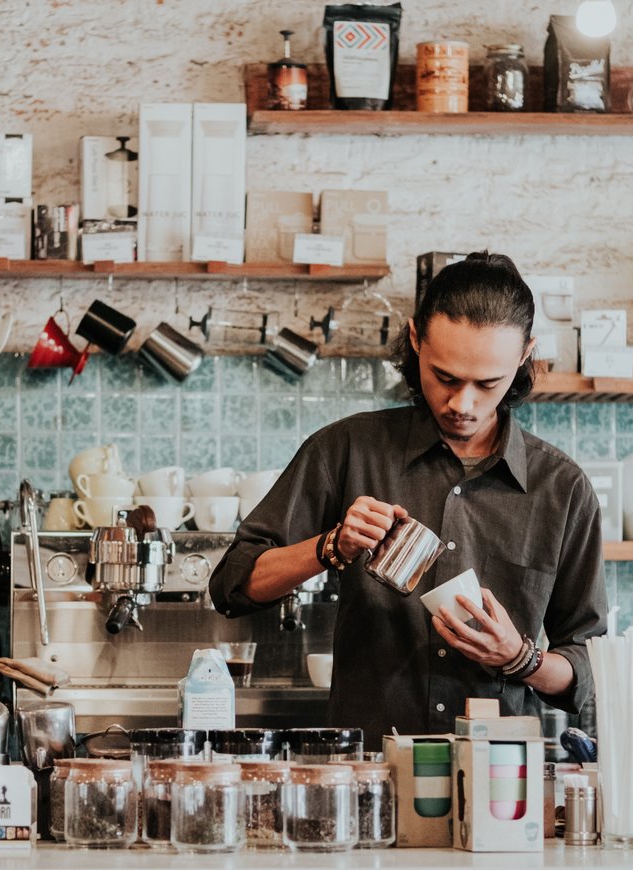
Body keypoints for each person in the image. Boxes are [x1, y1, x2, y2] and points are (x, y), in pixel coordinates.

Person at [209, 252, 608, 746]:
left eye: (487, 384)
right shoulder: (345, 450)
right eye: (444, 377)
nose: (463, 404)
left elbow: (588, 669)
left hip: (496, 779)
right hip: (366, 769)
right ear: (416, 339)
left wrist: (517, 657)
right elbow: (232, 585)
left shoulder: (562, 488)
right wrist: (330, 547)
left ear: (525, 354)